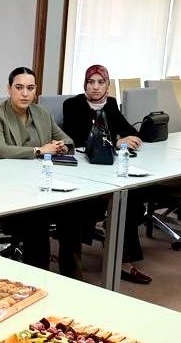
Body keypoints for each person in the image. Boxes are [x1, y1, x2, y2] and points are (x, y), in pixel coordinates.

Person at [0, 67, 84, 279]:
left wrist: (61, 146)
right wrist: (39, 150)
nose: (25, 94)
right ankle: (38, 279)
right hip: (6, 188)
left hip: (39, 184)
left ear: (36, 90)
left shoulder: (41, 113)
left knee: (73, 211)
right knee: (38, 217)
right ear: (9, 89)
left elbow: (67, 139)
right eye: (19, 88)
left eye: (30, 88)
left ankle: (72, 277)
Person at [62, 64, 151, 284]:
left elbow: (130, 130)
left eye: (100, 82)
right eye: (90, 82)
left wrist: (129, 139)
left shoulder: (110, 104)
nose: (95, 87)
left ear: (107, 86)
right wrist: (116, 142)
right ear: (84, 85)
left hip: (108, 169)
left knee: (132, 197)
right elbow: (78, 138)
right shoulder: (72, 105)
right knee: (109, 200)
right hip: (82, 171)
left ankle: (122, 260)